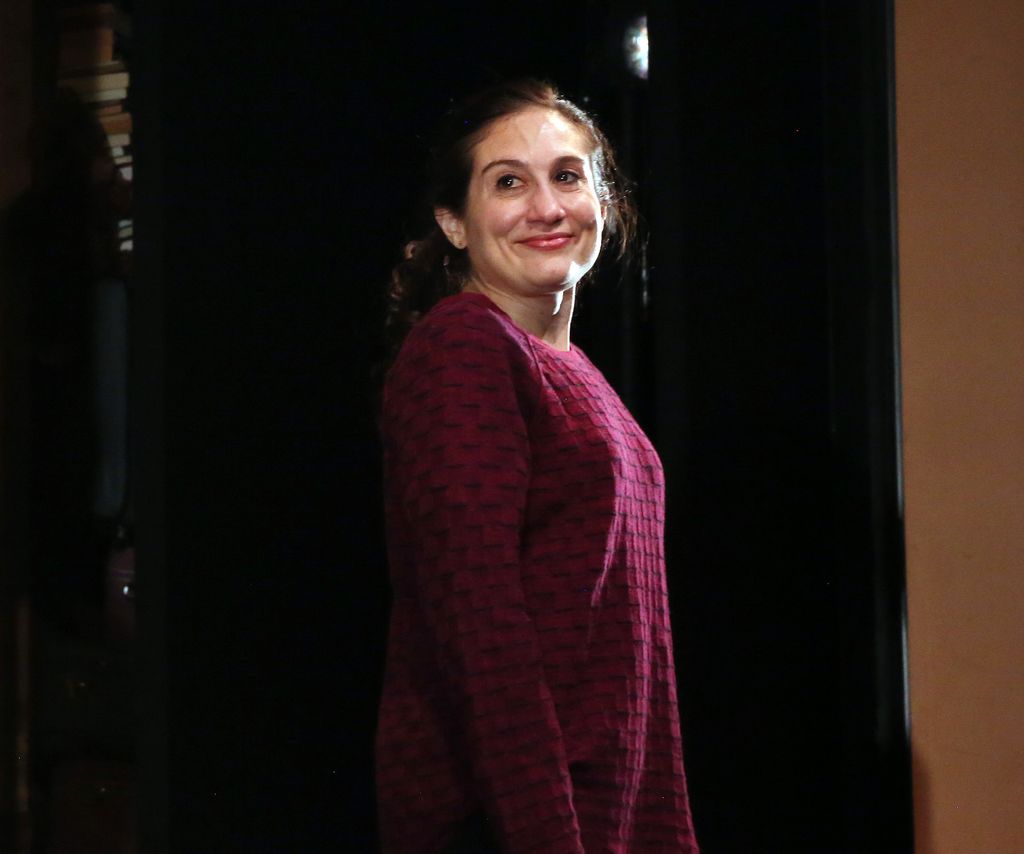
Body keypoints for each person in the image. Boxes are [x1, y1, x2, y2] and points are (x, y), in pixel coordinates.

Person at [376, 79, 699, 853]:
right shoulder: (465, 345)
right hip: (514, 817)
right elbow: (478, 624)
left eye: (567, 176)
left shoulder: (575, 371)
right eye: (509, 182)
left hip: (601, 807)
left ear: (603, 202)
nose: (547, 208)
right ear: (454, 222)